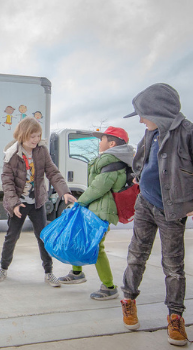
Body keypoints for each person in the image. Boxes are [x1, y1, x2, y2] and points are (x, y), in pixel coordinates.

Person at [120, 83, 193, 346]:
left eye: (143, 114)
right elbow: (141, 160)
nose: (140, 119)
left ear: (159, 111)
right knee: (137, 254)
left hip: (172, 209)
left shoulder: (187, 132)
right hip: (145, 204)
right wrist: (138, 179)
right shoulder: (150, 134)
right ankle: (128, 299)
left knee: (173, 266)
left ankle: (175, 317)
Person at [0, 117, 77, 287]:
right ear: (22, 135)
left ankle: (49, 272)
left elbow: (53, 172)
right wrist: (15, 204)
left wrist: (64, 192)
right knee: (11, 237)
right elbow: (7, 182)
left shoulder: (41, 152)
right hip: (18, 204)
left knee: (43, 238)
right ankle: (3, 267)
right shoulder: (11, 154)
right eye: (32, 136)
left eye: (38, 136)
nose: (36, 140)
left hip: (37, 202)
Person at [58, 127, 134, 300]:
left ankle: (109, 287)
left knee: (97, 247)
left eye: (103, 139)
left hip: (103, 209)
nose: (100, 142)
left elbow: (99, 187)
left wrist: (80, 203)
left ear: (112, 143)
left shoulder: (112, 161)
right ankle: (77, 272)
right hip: (97, 207)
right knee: (78, 237)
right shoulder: (111, 159)